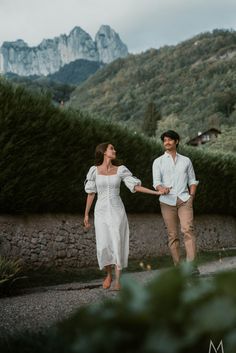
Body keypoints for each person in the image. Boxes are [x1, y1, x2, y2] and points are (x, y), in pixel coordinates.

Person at [84, 142, 164, 290]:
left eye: (114, 148)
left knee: (117, 241)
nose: (114, 150)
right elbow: (90, 193)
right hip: (100, 211)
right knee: (103, 245)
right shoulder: (94, 171)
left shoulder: (120, 170)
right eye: (111, 148)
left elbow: (135, 186)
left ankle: (118, 280)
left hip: (116, 210)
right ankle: (108, 275)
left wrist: (156, 193)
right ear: (103, 152)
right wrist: (86, 214)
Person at [152, 130, 200, 275]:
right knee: (173, 235)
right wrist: (161, 188)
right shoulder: (158, 161)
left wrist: (191, 196)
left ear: (176, 141)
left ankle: (191, 267)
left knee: (188, 230)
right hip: (167, 202)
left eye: (170, 140)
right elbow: (156, 182)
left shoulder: (186, 160)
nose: (167, 142)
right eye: (164, 140)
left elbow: (192, 180)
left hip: (184, 200)